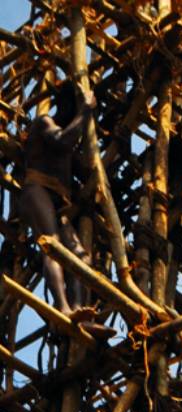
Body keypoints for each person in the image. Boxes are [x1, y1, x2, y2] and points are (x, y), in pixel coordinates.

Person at [16, 82, 95, 317]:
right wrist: (86, 111)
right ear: (66, 104)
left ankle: (79, 309)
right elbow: (62, 140)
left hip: (58, 201)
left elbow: (81, 168)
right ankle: (63, 308)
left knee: (82, 257)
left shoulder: (71, 140)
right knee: (52, 246)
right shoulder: (44, 123)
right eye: (74, 106)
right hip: (37, 189)